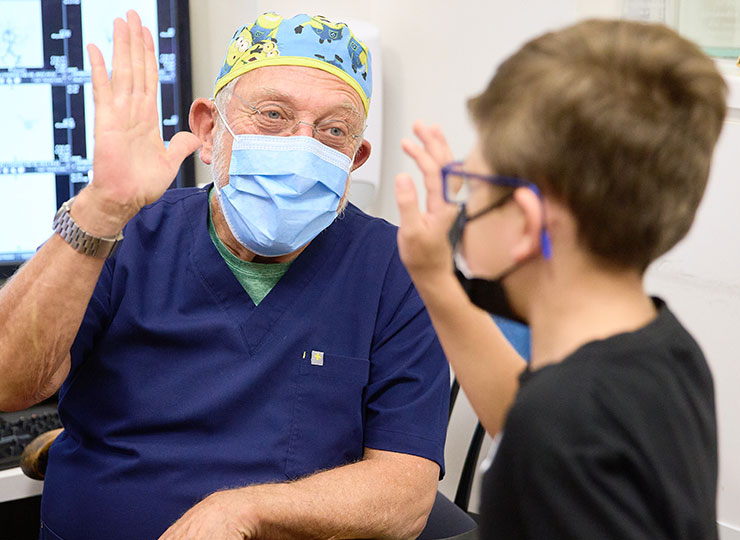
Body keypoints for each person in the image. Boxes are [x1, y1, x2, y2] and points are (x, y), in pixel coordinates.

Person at [0, 11, 449, 540]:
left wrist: (244, 511)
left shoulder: (394, 269)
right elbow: (11, 384)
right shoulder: (125, 237)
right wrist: (100, 209)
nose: (302, 147)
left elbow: (406, 493)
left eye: (333, 130)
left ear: (355, 158)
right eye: (274, 115)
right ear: (211, 129)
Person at [394, 18, 726, 539]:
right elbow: (531, 407)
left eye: (473, 188)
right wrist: (434, 276)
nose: (463, 205)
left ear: (526, 223)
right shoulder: (668, 352)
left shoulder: (556, 430)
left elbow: (544, 428)